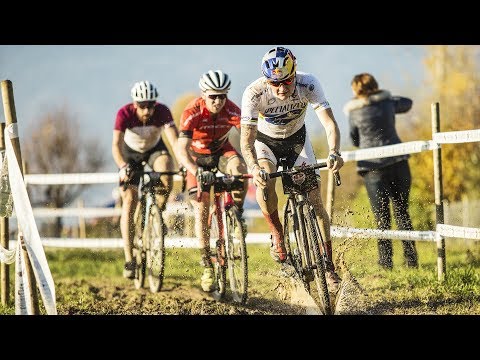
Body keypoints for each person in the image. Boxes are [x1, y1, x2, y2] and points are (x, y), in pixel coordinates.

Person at [240, 46, 344, 293]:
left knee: (315, 200)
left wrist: (335, 152)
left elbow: (329, 123)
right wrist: (254, 167)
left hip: (297, 141)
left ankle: (328, 265)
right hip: (266, 144)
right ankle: (277, 233)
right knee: (264, 180)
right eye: (274, 83)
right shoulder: (254, 93)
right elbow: (246, 141)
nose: (281, 88)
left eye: (286, 81)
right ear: (267, 81)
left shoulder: (308, 84)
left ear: (295, 74)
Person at [176, 70, 248, 292]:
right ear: (204, 95)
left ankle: (238, 213)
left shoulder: (232, 109)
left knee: (240, 169)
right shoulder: (191, 112)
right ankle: (206, 263)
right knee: (201, 208)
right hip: (196, 159)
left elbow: (248, 135)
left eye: (223, 96)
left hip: (221, 151)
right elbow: (181, 149)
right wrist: (194, 170)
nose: (218, 101)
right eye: (213, 96)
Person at [344, 72, 418, 269]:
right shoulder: (388, 103)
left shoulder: (353, 111)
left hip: (372, 167)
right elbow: (408, 103)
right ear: (375, 86)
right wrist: (386, 96)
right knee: (402, 211)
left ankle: (386, 264)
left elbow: (355, 140)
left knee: (382, 216)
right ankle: (411, 261)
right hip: (398, 160)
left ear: (356, 90)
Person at [112, 80, 179, 279]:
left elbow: (174, 142)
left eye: (150, 105)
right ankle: (129, 259)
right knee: (130, 200)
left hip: (154, 149)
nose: (147, 110)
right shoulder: (124, 114)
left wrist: (182, 165)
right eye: (142, 106)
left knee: (167, 171)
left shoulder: (162, 111)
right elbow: (115, 145)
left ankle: (157, 213)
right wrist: (123, 167)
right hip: (130, 154)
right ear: (134, 104)